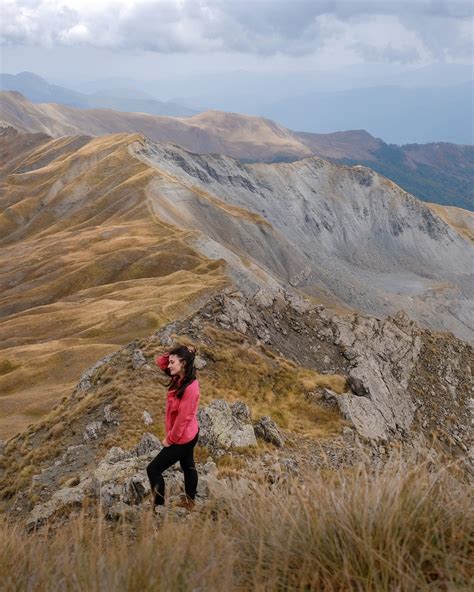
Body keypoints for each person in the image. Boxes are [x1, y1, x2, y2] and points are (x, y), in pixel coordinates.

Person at [146, 344, 200, 511]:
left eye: (173, 362)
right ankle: (190, 502)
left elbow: (182, 420)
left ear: (183, 363)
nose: (168, 366)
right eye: (170, 362)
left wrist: (170, 440)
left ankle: (159, 506)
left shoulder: (190, 388)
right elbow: (160, 362)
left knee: (153, 469)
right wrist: (179, 351)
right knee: (188, 466)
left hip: (183, 438)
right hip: (190, 433)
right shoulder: (179, 377)